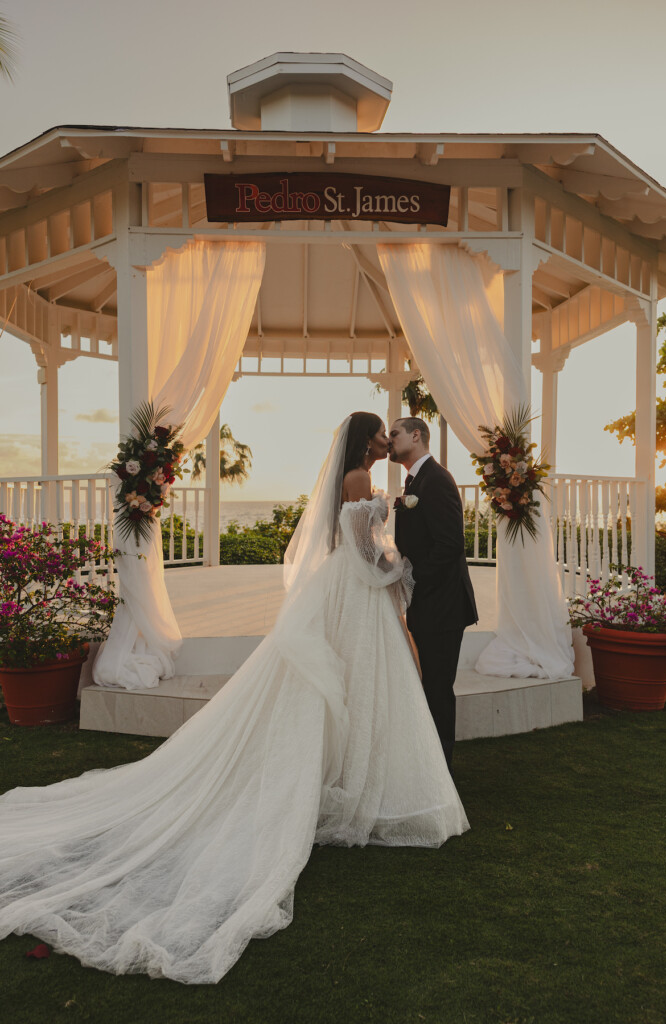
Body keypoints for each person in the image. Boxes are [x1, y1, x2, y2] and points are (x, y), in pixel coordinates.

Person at [0, 412, 468, 986]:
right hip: (357, 589)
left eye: (391, 435)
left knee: (354, 685)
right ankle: (373, 774)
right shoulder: (359, 480)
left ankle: (361, 769)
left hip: (346, 589)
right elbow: (365, 549)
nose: (385, 441)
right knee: (363, 683)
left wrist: (393, 566)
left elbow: (358, 540)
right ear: (367, 439)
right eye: (381, 434)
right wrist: (395, 573)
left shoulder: (369, 480)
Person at [389, 417, 478, 771]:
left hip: (443, 605)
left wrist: (411, 579)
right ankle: (429, 767)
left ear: (416, 435)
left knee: (439, 689)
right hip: (427, 604)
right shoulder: (415, 480)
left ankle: (442, 771)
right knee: (430, 687)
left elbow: (450, 544)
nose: (388, 439)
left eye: (393, 433)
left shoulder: (436, 480)